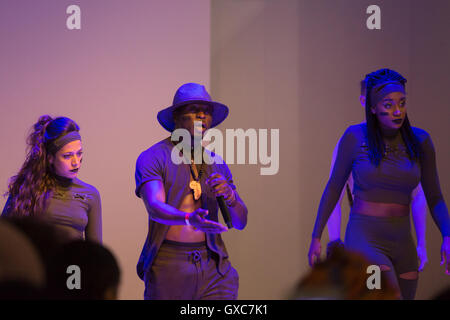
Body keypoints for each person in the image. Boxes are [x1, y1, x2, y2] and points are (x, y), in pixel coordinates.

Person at [308, 68, 450, 300]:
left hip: (402, 239)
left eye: (402, 103)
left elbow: (434, 197)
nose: (397, 111)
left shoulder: (421, 141)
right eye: (388, 105)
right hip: (365, 237)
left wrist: (446, 234)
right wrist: (318, 236)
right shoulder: (354, 137)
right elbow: (334, 188)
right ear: (372, 108)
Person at [135, 83, 248, 300]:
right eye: (195, 109)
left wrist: (231, 197)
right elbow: (155, 207)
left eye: (207, 111)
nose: (202, 115)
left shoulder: (216, 162)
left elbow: (240, 222)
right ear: (177, 118)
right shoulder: (153, 157)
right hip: (170, 262)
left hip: (214, 264)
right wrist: (188, 218)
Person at [326, 79, 428, 272]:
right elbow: (333, 196)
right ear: (365, 101)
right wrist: (335, 243)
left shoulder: (407, 141)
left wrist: (421, 244)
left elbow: (418, 195)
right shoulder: (351, 141)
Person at [2, 115, 102, 243]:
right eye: (67, 156)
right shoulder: (28, 189)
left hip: (73, 263)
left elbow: (95, 253)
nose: (76, 162)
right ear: (50, 158)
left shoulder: (90, 194)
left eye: (79, 153)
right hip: (39, 262)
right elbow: (4, 237)